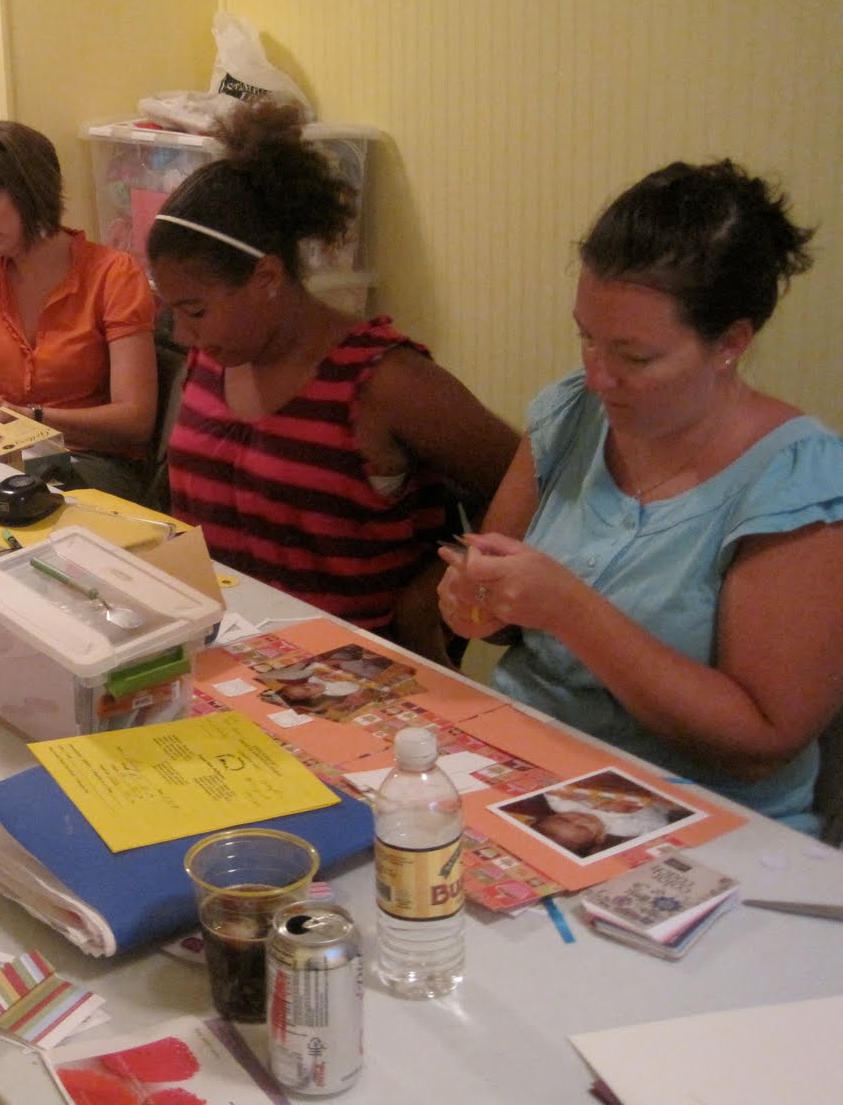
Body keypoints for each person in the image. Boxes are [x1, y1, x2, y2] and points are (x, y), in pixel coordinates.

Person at [438, 160, 843, 833]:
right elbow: (493, 597)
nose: (598, 376)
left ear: (730, 343)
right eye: (586, 337)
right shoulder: (571, 414)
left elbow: (762, 742)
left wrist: (572, 611)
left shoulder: (795, 482)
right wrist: (473, 601)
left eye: (636, 357)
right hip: (530, 771)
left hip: (699, 820)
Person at [145, 98, 518, 663]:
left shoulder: (384, 382)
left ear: (267, 277)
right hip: (222, 662)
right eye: (170, 309)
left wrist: (430, 598)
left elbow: (528, 480)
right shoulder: (212, 358)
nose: (182, 334)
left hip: (346, 679)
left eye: (195, 311)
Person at [0, 120, 159, 501]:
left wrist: (31, 417)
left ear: (32, 190)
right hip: (0, 450)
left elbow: (136, 419)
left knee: (8, 497)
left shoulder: (113, 274)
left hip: (91, 460)